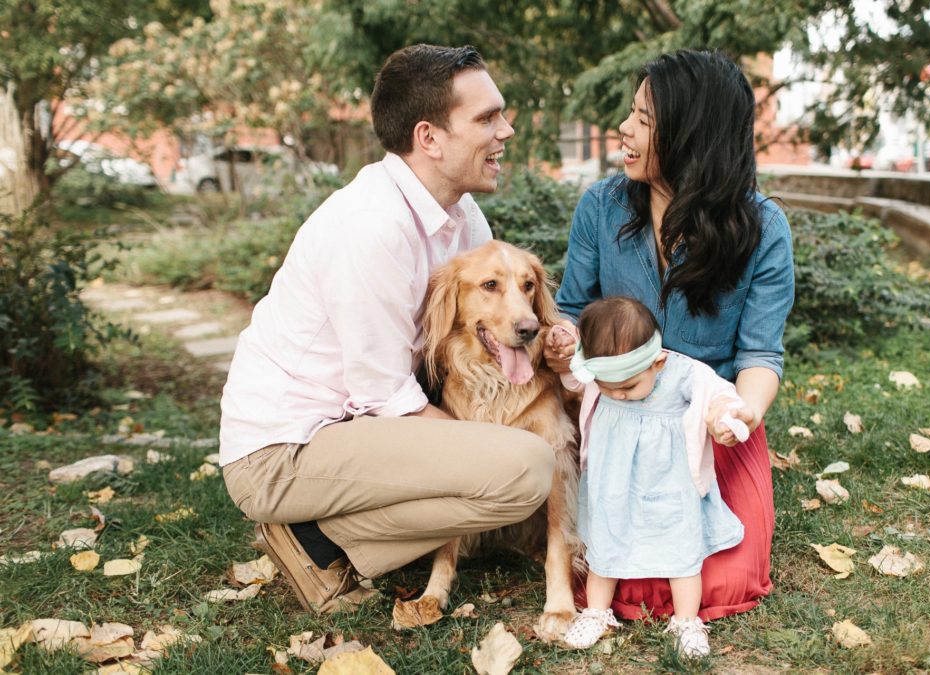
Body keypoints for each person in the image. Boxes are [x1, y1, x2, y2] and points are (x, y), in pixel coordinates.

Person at [218, 44, 555, 615]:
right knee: (523, 469)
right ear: (429, 138)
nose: (507, 130)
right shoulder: (371, 226)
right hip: (284, 453)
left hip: (355, 430)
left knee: (517, 455)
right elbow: (383, 396)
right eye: (487, 118)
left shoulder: (462, 213)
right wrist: (491, 445)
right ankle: (316, 539)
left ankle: (346, 533)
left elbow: (474, 335)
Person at [546, 50, 795, 624]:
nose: (624, 129)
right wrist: (564, 342)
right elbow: (574, 313)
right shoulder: (601, 208)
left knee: (722, 576)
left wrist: (743, 415)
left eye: (644, 119)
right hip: (617, 417)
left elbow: (759, 353)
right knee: (619, 572)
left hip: (708, 421)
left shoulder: (762, 230)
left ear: (692, 135)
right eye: (630, 113)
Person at [558, 297, 750, 658]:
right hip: (613, 483)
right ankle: (597, 612)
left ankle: (687, 621)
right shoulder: (607, 376)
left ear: (657, 361)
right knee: (606, 541)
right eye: (607, 386)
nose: (617, 395)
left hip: (669, 483)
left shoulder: (680, 372)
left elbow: (718, 391)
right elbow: (573, 378)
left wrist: (724, 413)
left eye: (628, 387)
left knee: (681, 548)